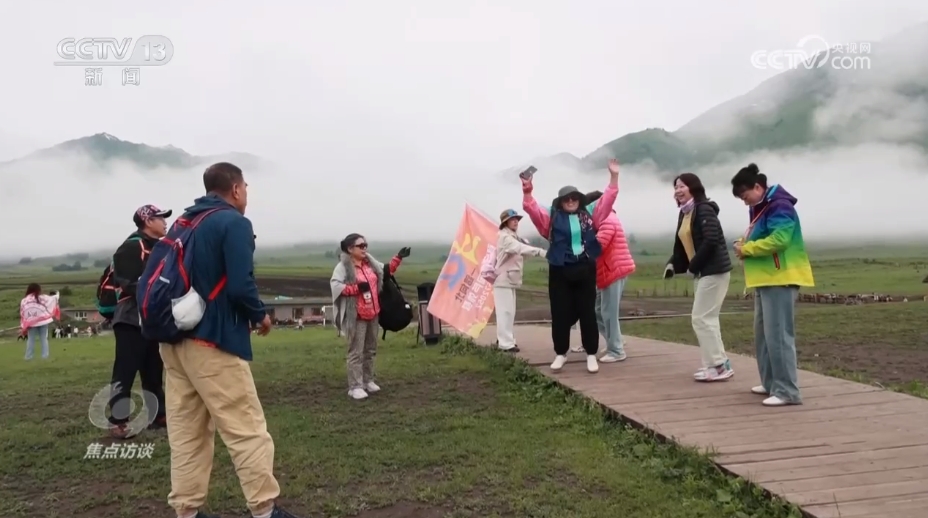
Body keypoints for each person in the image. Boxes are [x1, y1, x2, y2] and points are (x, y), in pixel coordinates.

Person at [159, 162, 301, 518]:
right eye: (246, 187)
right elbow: (240, 285)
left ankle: (187, 511)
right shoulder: (233, 223)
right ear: (236, 189)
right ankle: (265, 509)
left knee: (187, 433)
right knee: (245, 428)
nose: (247, 194)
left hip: (173, 343)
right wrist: (259, 314)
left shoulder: (183, 223)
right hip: (213, 342)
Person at [521, 159, 620, 373]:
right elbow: (532, 208)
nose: (571, 201)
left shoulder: (590, 213)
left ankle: (591, 354)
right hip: (559, 269)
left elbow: (608, 199)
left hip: (585, 268)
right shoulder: (551, 216)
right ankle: (560, 353)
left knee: (587, 312)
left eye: (574, 197)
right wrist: (527, 191)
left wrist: (614, 177)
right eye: (567, 198)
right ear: (561, 202)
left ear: (579, 199)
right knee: (560, 312)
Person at [731, 163, 814, 407]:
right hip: (765, 278)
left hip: (781, 277)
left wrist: (748, 249)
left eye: (745, 196)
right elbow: (759, 234)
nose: (745, 202)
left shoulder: (780, 205)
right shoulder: (761, 207)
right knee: (764, 336)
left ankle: (787, 391)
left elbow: (780, 239)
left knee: (778, 336)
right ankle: (771, 383)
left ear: (758, 187)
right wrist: (743, 243)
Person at [107, 204, 171, 439]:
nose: (165, 222)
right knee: (125, 370)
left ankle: (158, 415)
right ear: (148, 221)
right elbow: (127, 283)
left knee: (153, 370)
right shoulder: (131, 247)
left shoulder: (161, 247)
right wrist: (159, 291)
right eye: (160, 218)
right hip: (130, 318)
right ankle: (118, 420)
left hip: (151, 317)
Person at [664, 173, 734, 382]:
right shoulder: (685, 213)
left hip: (714, 271)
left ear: (693, 187)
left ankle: (717, 366)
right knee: (708, 319)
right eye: (676, 187)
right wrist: (673, 264)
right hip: (703, 272)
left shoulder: (704, 209)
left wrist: (693, 266)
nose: (678, 190)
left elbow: (711, 241)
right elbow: (682, 245)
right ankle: (719, 364)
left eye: (682, 186)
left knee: (701, 318)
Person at [330, 234, 409, 400]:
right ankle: (355, 386)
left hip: (373, 313)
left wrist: (398, 258)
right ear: (350, 249)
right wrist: (356, 288)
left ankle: (368, 380)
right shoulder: (343, 267)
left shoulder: (370, 263)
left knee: (371, 349)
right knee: (356, 352)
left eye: (365, 245)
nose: (364, 248)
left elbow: (385, 271)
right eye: (361, 246)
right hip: (357, 315)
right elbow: (336, 285)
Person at [582, 190, 635, 362]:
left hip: (613, 270)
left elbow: (598, 246)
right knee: (597, 310)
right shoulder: (602, 220)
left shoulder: (607, 220)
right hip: (607, 271)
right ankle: (615, 340)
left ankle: (617, 350)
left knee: (608, 312)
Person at [491, 209, 546, 353]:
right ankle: (505, 343)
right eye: (512, 219)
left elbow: (522, 252)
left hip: (510, 279)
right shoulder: (505, 237)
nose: (515, 221)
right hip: (502, 279)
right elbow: (519, 248)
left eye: (516, 219)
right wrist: (539, 251)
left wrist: (531, 250)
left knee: (510, 312)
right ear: (505, 223)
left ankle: (506, 340)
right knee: (505, 312)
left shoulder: (514, 237)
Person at [19, 284, 59, 360]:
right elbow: (53, 299)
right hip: (43, 321)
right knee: (44, 338)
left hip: (31, 323)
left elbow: (23, 312)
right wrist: (57, 293)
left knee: (31, 339)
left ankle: (28, 357)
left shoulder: (24, 300)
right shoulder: (42, 298)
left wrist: (24, 324)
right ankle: (45, 356)